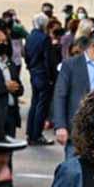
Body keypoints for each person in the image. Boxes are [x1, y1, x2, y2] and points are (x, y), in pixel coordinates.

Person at [53, 29, 94, 155]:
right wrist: (60, 126)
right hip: (78, 130)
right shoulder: (71, 65)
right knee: (74, 170)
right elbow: (60, 95)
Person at [25, 13, 52, 145]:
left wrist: (30, 68)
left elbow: (27, 56)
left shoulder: (29, 37)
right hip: (42, 73)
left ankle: (31, 133)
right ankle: (36, 134)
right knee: (41, 105)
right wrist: (51, 76)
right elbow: (47, 59)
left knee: (35, 103)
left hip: (34, 72)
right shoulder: (44, 38)